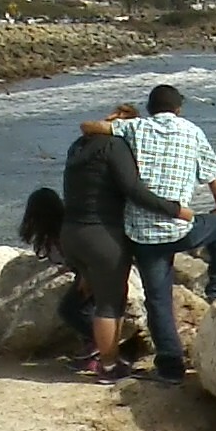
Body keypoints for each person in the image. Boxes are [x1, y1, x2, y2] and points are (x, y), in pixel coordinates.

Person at [80, 84, 216, 385]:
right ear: (178, 109)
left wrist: (111, 120)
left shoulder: (135, 128)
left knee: (158, 301)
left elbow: (88, 127)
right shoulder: (192, 131)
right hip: (180, 227)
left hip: (143, 234)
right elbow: (213, 176)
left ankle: (170, 368)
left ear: (150, 108)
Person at [60, 103, 195, 384]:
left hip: (71, 232)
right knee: (110, 304)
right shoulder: (115, 146)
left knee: (92, 297)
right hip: (103, 235)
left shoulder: (78, 146)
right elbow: (133, 189)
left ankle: (94, 351)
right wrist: (175, 209)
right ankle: (108, 368)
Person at [18, 187, 94, 358]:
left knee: (70, 310)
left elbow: (85, 254)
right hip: (93, 269)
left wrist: (84, 276)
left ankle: (99, 343)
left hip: (93, 272)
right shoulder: (65, 226)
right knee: (82, 309)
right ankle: (92, 346)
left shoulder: (64, 233)